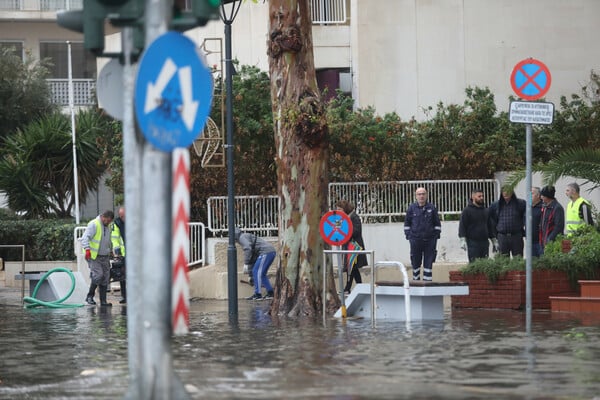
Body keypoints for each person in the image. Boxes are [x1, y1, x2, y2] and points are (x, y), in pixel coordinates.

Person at [404, 187, 441, 281]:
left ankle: (427, 282)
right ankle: (416, 280)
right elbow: (407, 223)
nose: (421, 196)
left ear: (426, 195)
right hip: (415, 240)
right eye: (419, 194)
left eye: (423, 194)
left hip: (430, 241)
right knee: (415, 261)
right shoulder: (411, 208)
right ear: (416, 196)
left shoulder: (432, 208)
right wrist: (409, 236)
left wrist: (435, 236)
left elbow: (437, 224)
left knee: (428, 262)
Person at [81, 210, 114, 306]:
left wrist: (110, 250)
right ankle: (89, 296)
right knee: (98, 275)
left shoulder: (108, 226)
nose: (108, 223)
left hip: (105, 256)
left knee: (105, 277)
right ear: (103, 217)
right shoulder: (94, 224)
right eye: (107, 221)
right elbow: (84, 238)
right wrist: (87, 249)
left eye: (109, 221)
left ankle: (103, 301)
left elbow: (108, 240)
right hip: (94, 256)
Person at [235, 228, 277, 300]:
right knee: (261, 274)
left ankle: (258, 294)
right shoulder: (245, 237)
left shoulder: (241, 237)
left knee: (257, 271)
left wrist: (246, 263)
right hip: (269, 252)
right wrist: (251, 276)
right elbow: (253, 258)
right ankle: (270, 293)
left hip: (266, 252)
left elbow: (248, 249)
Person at [336, 199, 368, 294]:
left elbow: (356, 231)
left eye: (340, 209)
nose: (338, 211)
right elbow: (337, 230)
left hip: (354, 247)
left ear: (345, 209)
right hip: (347, 246)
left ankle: (348, 288)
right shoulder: (342, 218)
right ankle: (356, 287)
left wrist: (344, 228)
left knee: (352, 268)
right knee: (352, 268)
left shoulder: (354, 217)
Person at [458, 188, 496, 262]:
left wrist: (494, 240)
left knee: (484, 265)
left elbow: (490, 227)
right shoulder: (467, 211)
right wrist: (462, 239)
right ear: (473, 197)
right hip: (473, 243)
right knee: (474, 265)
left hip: (484, 243)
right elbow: (462, 226)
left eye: (482, 196)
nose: (481, 198)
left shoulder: (486, 211)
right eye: (479, 196)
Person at [488, 187, 526, 257]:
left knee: (518, 259)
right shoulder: (495, 205)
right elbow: (490, 219)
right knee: (503, 261)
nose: (505, 193)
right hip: (502, 237)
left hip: (516, 236)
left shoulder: (521, 203)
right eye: (503, 191)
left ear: (512, 193)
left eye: (507, 191)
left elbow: (526, 216)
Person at [539, 185, 565, 253]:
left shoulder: (557, 208)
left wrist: (549, 239)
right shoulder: (545, 207)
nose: (541, 197)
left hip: (553, 243)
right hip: (544, 242)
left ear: (548, 197)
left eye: (543, 196)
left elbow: (558, 227)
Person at [111, 206, 126, 304]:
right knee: (122, 276)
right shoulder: (117, 223)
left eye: (123, 216)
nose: (122, 218)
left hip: (135, 253)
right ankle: (124, 296)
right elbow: (115, 238)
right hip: (123, 254)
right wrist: (117, 251)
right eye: (120, 216)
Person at [531, 187, 544, 257]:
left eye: (532, 193)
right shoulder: (527, 208)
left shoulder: (543, 207)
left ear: (538, 195)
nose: (529, 195)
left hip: (541, 242)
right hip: (530, 242)